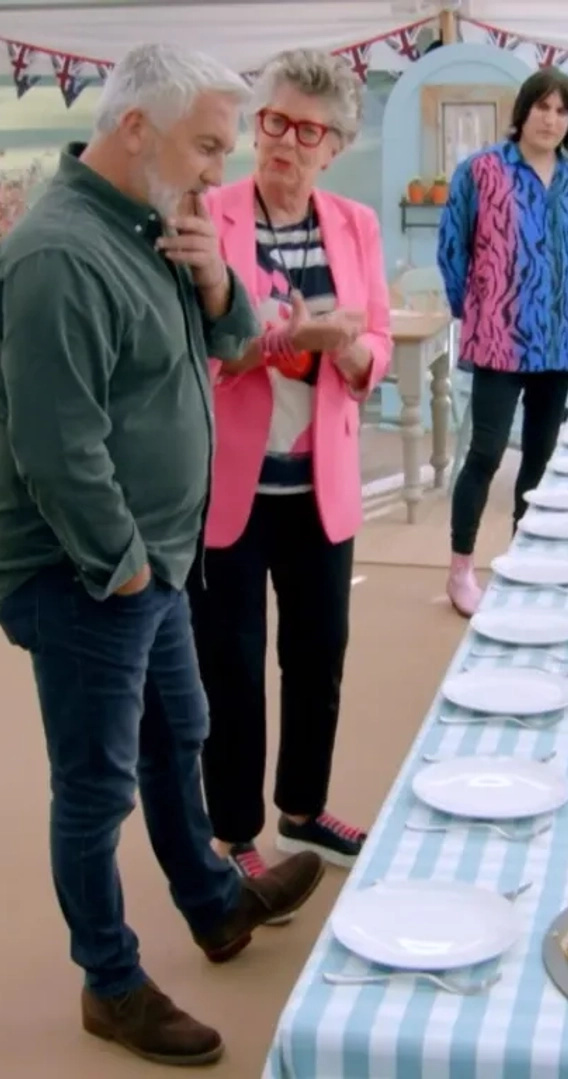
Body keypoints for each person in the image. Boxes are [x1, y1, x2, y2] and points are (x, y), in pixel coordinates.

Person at [0, 43, 327, 1069]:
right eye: (209, 144)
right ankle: (110, 978)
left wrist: (220, 282)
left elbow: (233, 349)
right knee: (95, 783)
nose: (222, 168)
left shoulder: (157, 227)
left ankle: (216, 904)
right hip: (88, 569)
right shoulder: (57, 257)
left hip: (157, 555)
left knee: (181, 731)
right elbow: (57, 447)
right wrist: (124, 567)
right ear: (136, 128)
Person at [192, 49, 390, 881]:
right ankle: (236, 838)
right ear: (255, 123)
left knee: (318, 656)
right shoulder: (209, 215)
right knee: (229, 667)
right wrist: (284, 341)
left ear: (333, 144)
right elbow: (198, 356)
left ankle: (303, 813)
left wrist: (344, 353)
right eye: (273, 121)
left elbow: (375, 340)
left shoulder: (354, 226)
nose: (284, 143)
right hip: (231, 487)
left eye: (307, 131)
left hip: (320, 486)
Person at [437, 67, 568, 617]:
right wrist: (475, 310)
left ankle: (524, 562)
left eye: (562, 111)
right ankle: (461, 568)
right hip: (498, 337)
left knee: (542, 457)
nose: (550, 119)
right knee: (485, 452)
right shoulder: (480, 171)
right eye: (542, 107)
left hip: (560, 336)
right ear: (522, 111)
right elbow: (452, 250)